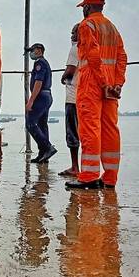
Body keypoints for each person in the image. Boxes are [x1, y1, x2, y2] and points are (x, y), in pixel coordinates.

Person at [66, 0, 127, 189]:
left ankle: (89, 176)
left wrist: (102, 83)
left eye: (83, 7)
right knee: (110, 129)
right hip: (110, 85)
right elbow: (122, 57)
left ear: (87, 7)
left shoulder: (87, 25)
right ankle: (110, 178)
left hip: (93, 83)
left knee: (90, 128)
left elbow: (92, 56)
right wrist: (117, 83)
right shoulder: (112, 28)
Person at [26, 43, 57, 164]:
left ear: (39, 50)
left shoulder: (40, 63)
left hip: (41, 96)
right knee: (42, 125)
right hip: (46, 96)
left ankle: (47, 147)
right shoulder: (44, 63)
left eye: (32, 51)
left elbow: (38, 82)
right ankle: (43, 154)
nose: (31, 53)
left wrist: (31, 100)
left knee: (30, 124)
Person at [59, 24, 81, 176]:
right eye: (71, 33)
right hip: (84, 97)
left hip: (73, 97)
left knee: (72, 132)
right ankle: (82, 167)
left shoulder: (75, 49)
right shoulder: (88, 49)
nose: (72, 36)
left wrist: (63, 76)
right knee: (83, 133)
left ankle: (75, 167)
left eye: (75, 33)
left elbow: (71, 70)